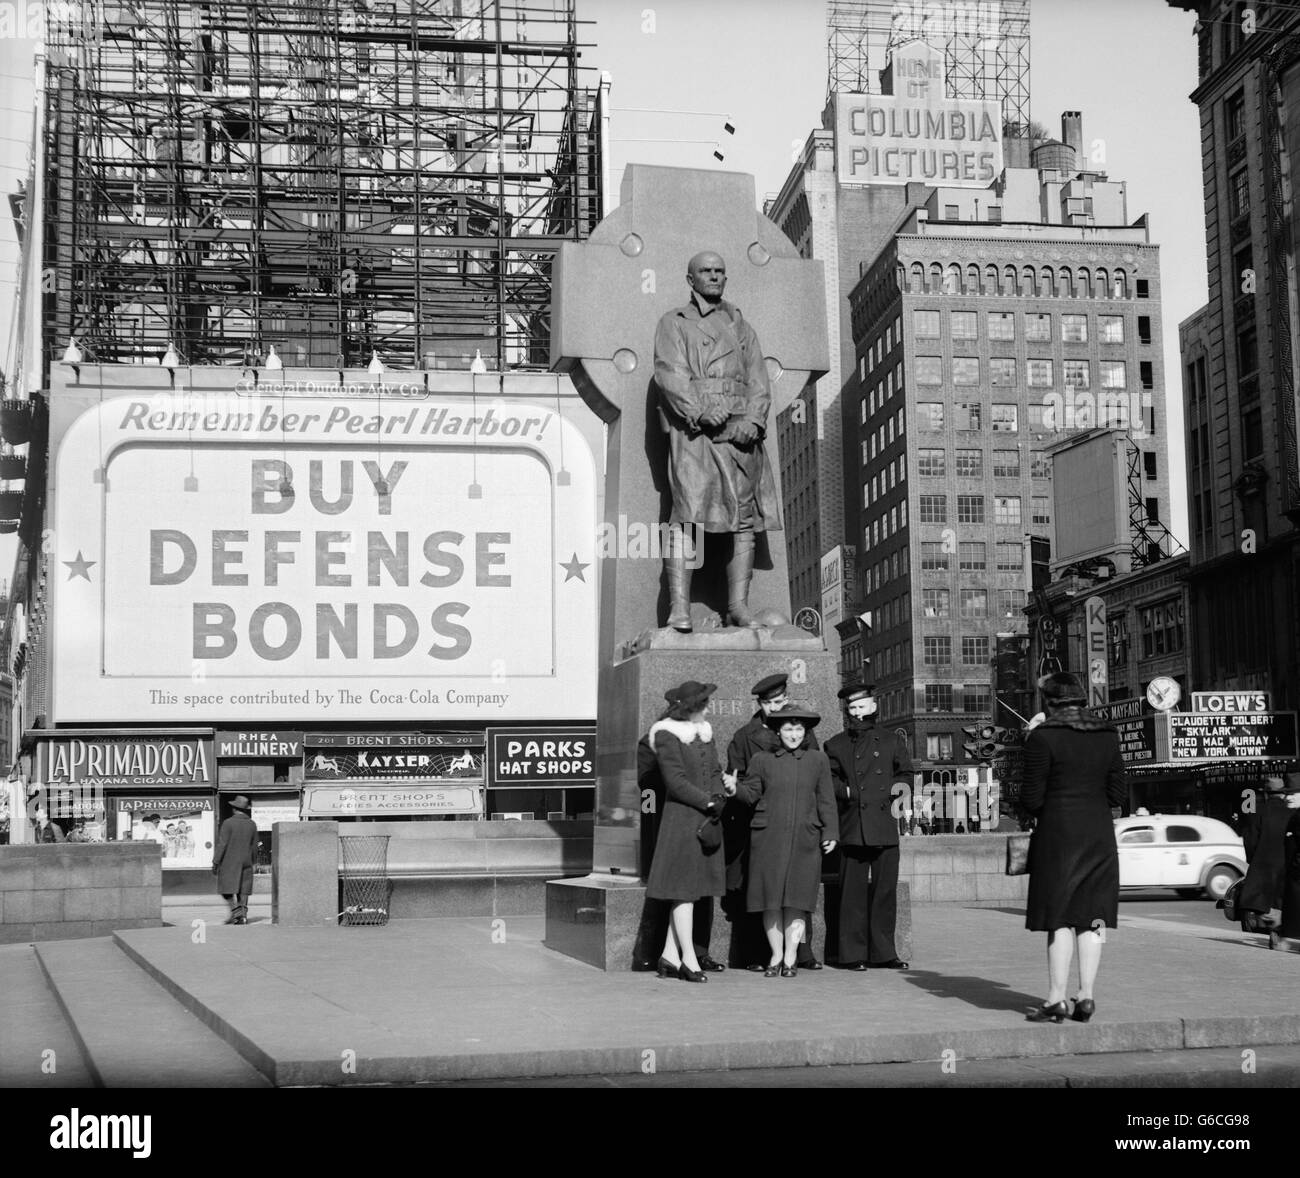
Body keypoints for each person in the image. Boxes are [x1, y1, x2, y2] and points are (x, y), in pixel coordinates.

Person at [653, 249, 782, 631]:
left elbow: (759, 381)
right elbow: (668, 373)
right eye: (705, 271)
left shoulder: (742, 327)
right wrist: (696, 409)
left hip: (739, 435)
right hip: (696, 436)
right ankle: (679, 608)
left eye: (720, 271)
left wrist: (754, 421)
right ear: (690, 279)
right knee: (687, 517)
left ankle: (738, 606)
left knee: (743, 521)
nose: (714, 276)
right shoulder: (673, 322)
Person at [1021, 671, 1127, 1023]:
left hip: (1059, 837)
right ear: (1082, 699)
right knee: (1093, 918)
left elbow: (1031, 799)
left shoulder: (1043, 737)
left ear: (1048, 702)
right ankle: (1086, 995)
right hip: (1098, 835)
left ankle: (1055, 999)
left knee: (1061, 919)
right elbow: (1118, 795)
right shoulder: (1108, 735)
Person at [727, 672, 824, 970]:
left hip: (798, 825)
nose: (775, 707)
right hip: (760, 823)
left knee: (796, 893)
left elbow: (818, 782)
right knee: (764, 895)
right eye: (769, 703)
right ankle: (761, 955)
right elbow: (742, 779)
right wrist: (736, 790)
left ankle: (799, 954)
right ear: (760, 704)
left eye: (780, 701)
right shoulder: (745, 737)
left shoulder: (802, 731)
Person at [643, 681, 729, 982]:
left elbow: (716, 770)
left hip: (705, 819)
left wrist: (718, 796)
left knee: (689, 891)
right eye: (702, 704)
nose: (706, 708)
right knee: (683, 893)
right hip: (681, 821)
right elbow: (675, 781)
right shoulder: (666, 733)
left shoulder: (704, 731)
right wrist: (707, 800)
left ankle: (669, 954)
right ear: (687, 707)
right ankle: (688, 960)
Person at [825, 682, 914, 970]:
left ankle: (885, 952)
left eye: (862, 706)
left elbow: (906, 774)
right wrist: (849, 793)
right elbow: (830, 780)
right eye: (852, 708)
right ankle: (851, 954)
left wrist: (897, 807)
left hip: (885, 825)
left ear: (874, 707)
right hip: (854, 825)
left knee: (884, 892)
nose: (857, 712)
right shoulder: (835, 744)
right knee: (851, 894)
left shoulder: (891, 741)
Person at [1238, 772, 1299, 937]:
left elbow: (1250, 841)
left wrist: (1253, 859)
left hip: (1263, 865)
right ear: (1283, 793)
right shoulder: (1293, 813)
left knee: (1265, 902)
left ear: (1265, 793)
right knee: (1284, 899)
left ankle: (1273, 927)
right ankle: (1278, 928)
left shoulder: (1257, 813)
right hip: (1287, 863)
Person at [213, 795, 258, 925]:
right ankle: (241, 916)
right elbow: (254, 846)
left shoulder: (228, 823)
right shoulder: (252, 824)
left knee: (225, 890)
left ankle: (236, 913)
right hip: (246, 861)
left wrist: (216, 862)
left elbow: (222, 844)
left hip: (229, 862)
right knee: (243, 890)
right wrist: (254, 862)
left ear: (234, 808)